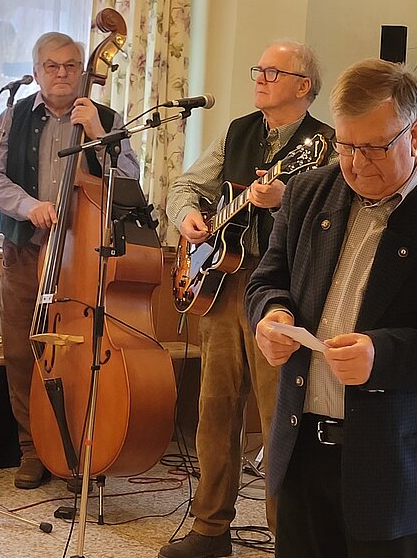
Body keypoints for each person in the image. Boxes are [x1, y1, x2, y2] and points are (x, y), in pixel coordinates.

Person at [247, 58, 417, 558]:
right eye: (346, 146)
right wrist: (272, 315)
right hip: (303, 450)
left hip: (393, 465)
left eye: (375, 147)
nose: (357, 163)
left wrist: (380, 355)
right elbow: (267, 281)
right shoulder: (308, 193)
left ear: (415, 135)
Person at [159, 41, 334, 558]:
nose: (259, 77)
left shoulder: (324, 144)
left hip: (283, 288)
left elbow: (332, 220)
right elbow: (186, 186)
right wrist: (188, 217)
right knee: (214, 409)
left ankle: (288, 537)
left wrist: (286, 200)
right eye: (258, 68)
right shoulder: (237, 130)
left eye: (272, 71)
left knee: (279, 414)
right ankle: (210, 529)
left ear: (303, 86)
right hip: (222, 284)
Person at [0, 31, 139, 489]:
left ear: (83, 70)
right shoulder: (13, 117)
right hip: (25, 251)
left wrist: (99, 136)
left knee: (80, 354)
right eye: (51, 66)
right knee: (21, 351)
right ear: (36, 72)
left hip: (82, 257)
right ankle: (33, 449)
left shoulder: (106, 118)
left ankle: (79, 448)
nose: (62, 73)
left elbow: (130, 182)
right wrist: (28, 205)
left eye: (71, 65)